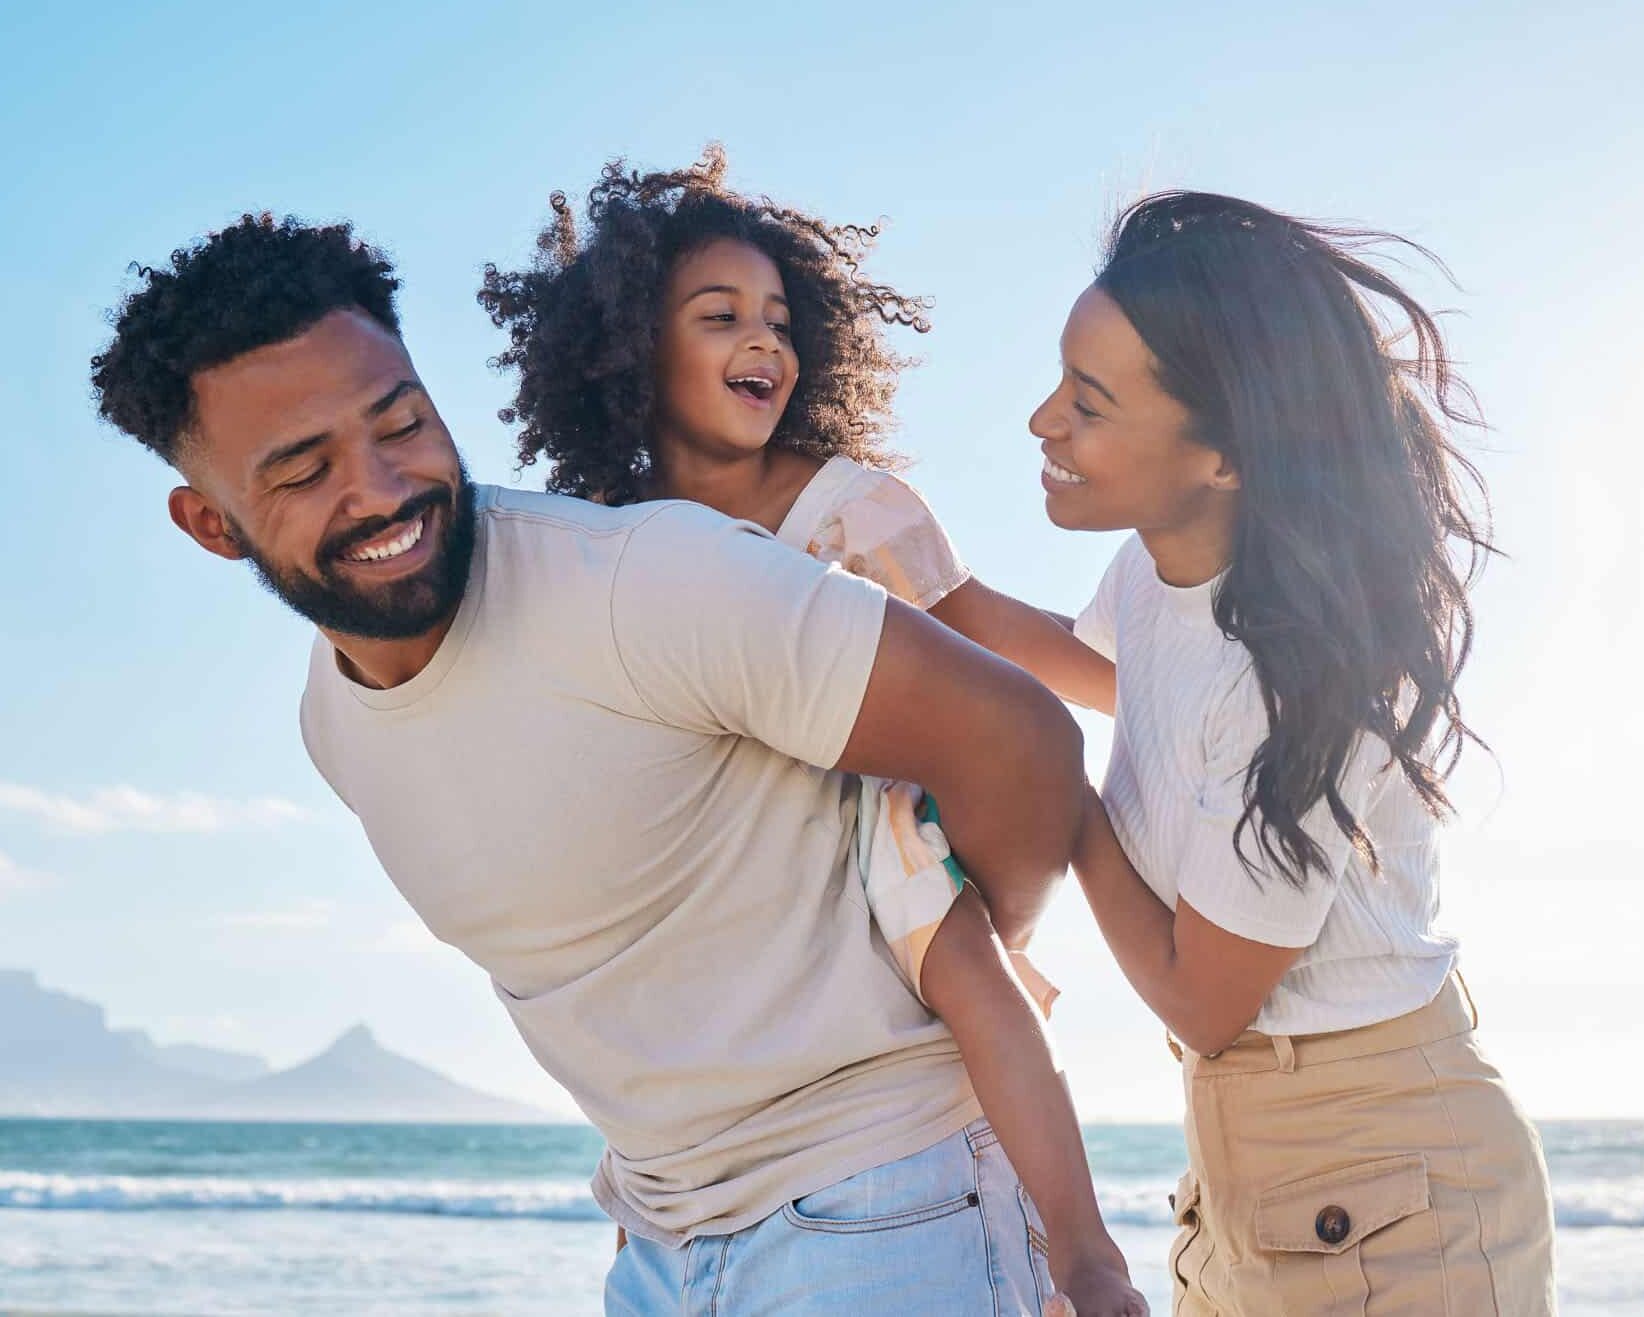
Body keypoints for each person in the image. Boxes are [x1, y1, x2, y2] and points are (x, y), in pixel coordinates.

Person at [92, 212, 1090, 1315]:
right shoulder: (333, 723)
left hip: (880, 1211)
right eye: (301, 470)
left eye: (401, 424)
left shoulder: (645, 584)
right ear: (210, 524)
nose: (378, 490)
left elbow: (1022, 740)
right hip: (658, 1245)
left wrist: (952, 950)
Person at [478, 147, 1141, 1317]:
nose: (763, 342)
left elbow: (983, 629)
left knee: (971, 978)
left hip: (866, 816)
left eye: (780, 319)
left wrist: (1157, 687)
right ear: (633, 349)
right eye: (720, 314)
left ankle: (1086, 1258)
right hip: (725, 863)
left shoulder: (845, 506)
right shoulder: (609, 542)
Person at [1033, 191, 1557, 1313]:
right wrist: (903, 576)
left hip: (1389, 1189)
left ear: (1223, 455)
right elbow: (1116, 684)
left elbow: (1202, 1001)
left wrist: (1059, 803)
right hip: (1244, 1170)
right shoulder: (1158, 572)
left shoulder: (1305, 679)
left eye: (1086, 404)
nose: (1042, 422)